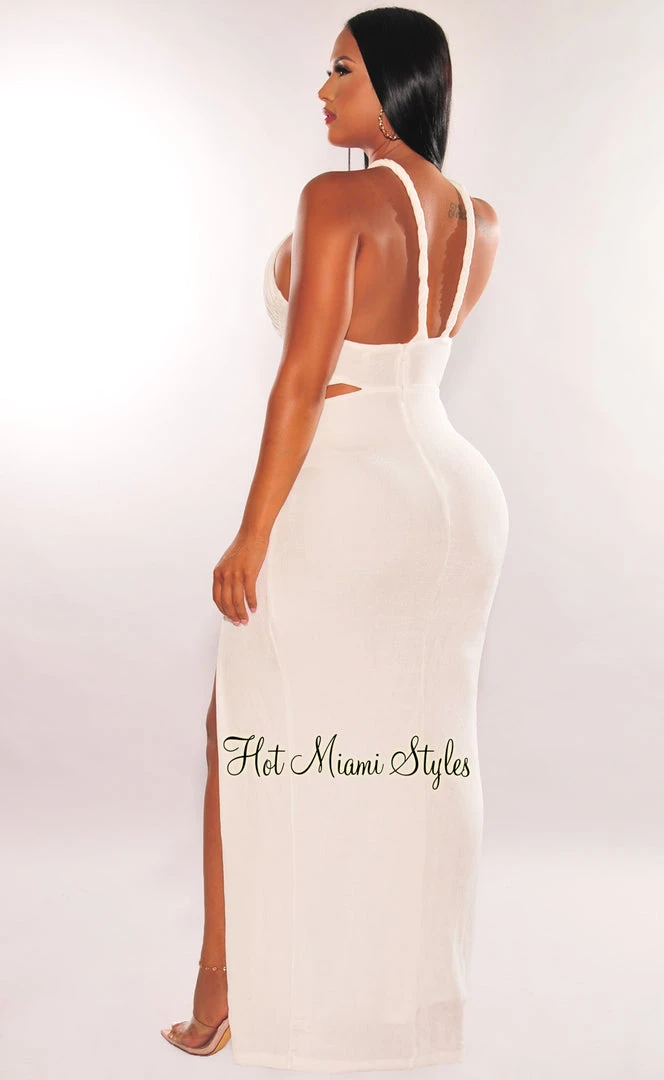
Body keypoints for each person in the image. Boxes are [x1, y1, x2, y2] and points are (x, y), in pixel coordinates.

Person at [161, 6, 509, 1070]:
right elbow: (409, 356)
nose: (323, 89)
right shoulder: (478, 219)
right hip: (454, 494)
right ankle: (409, 1013)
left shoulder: (336, 198)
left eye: (343, 71)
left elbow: (306, 379)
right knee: (419, 752)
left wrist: (250, 532)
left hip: (349, 490)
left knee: (247, 732)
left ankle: (225, 985)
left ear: (396, 87)